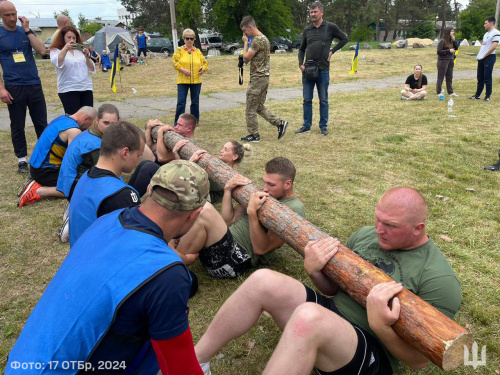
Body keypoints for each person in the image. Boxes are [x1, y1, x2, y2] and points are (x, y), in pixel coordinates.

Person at [194, 187, 463, 375]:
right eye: (378, 219)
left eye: (390, 225)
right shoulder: (366, 235)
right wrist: (314, 271)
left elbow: (418, 362)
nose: (379, 229)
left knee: (309, 316)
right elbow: (333, 290)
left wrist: (381, 327)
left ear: (419, 228)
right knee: (263, 279)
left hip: (372, 351)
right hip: (330, 320)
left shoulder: (438, 279)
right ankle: (195, 362)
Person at [6, 161, 210, 375]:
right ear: (193, 215)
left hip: (23, 363)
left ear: (149, 190)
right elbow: (180, 367)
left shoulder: (108, 220)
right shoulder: (167, 275)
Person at [173, 157, 305, 279]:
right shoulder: (263, 194)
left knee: (205, 210)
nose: (265, 188)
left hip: (236, 259)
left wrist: (252, 213)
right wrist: (227, 191)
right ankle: (169, 261)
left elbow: (261, 249)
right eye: (265, 182)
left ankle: (170, 269)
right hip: (220, 246)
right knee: (196, 211)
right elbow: (228, 220)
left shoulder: (294, 208)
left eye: (271, 185)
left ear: (288, 184)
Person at [69, 121, 144, 246]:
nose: (138, 161)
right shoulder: (121, 195)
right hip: (100, 260)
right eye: (138, 155)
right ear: (125, 153)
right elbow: (137, 241)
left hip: (79, 253)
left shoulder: (86, 176)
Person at [0, 1, 47, 173]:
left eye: (14, 14)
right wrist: (1, 89)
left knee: (41, 122)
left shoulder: (25, 31)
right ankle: (22, 160)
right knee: (17, 124)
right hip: (13, 86)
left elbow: (43, 51)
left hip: (34, 84)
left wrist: (27, 29)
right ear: (1, 16)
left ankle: (44, 157)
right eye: (7, 15)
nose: (12, 18)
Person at [17, 106, 97, 207]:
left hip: (36, 166)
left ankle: (38, 182)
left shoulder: (63, 118)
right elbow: (72, 160)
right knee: (81, 188)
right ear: (86, 118)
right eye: (90, 125)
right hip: (45, 171)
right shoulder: (74, 130)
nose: (88, 129)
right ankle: (37, 191)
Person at [295, 1, 348, 136]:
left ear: (321, 12)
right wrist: (301, 63)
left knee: (323, 100)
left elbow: (344, 39)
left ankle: (323, 126)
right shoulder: (307, 30)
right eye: (311, 12)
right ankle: (306, 126)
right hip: (308, 70)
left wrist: (333, 51)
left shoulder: (330, 27)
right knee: (307, 99)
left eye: (315, 12)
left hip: (323, 70)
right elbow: (301, 49)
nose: (312, 14)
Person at [239, 16, 288, 142]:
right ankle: (280, 123)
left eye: (245, 31)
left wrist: (245, 43)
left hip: (257, 78)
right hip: (264, 77)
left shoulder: (257, 40)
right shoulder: (264, 38)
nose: (244, 34)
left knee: (250, 108)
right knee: (259, 106)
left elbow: (246, 58)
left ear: (250, 27)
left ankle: (254, 135)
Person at [56, 103, 120, 200]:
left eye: (114, 124)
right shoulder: (94, 145)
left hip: (70, 182)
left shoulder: (92, 131)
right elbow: (110, 171)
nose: (110, 128)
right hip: (76, 188)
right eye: (106, 123)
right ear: (97, 120)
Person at [129, 115, 197, 197]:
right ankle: (128, 192)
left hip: (174, 177)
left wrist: (160, 133)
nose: (175, 127)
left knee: (148, 167)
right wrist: (149, 128)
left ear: (189, 128)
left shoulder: (187, 144)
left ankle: (133, 199)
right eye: (176, 124)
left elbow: (162, 158)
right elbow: (149, 146)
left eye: (180, 125)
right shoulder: (176, 137)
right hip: (166, 168)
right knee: (144, 163)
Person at [50, 26, 95, 115]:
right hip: (68, 89)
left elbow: (92, 68)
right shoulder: (56, 50)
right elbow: (57, 62)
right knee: (73, 117)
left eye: (74, 38)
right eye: (69, 37)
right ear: (62, 38)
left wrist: (87, 57)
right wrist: (66, 48)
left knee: (87, 117)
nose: (72, 40)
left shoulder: (80, 51)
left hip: (86, 87)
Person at [172, 29, 208, 126]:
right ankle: (178, 123)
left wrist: (203, 69)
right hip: (182, 80)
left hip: (196, 81)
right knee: (181, 102)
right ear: (184, 39)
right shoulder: (180, 50)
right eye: (187, 38)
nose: (189, 40)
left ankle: (195, 121)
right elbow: (175, 62)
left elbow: (205, 63)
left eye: (191, 38)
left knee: (195, 102)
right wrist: (183, 70)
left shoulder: (198, 51)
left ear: (194, 40)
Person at [469, 16, 500, 102]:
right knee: (480, 77)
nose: (484, 25)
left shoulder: (496, 33)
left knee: (487, 77)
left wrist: (485, 55)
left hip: (489, 57)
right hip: (482, 58)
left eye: (486, 23)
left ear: (491, 23)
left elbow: (494, 46)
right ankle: (477, 95)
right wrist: (479, 55)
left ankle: (487, 96)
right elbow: (483, 45)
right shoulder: (486, 34)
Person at [436, 27, 459, 97]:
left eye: (453, 31)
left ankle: (450, 92)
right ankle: (438, 92)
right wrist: (448, 51)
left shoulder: (451, 41)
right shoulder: (442, 41)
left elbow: (456, 48)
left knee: (449, 76)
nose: (453, 33)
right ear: (447, 32)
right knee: (441, 76)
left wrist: (454, 41)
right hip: (443, 60)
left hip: (450, 60)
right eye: (451, 31)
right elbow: (439, 52)